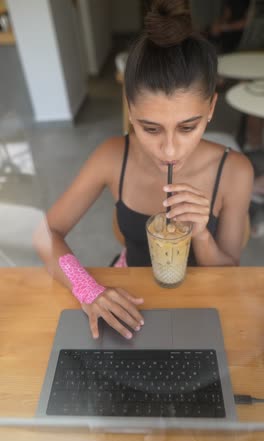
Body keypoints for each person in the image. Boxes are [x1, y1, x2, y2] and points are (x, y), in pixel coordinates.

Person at [34, 0, 253, 340]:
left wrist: (202, 234)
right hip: (129, 303)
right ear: (131, 112)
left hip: (202, 307)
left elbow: (231, 272)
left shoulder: (235, 172)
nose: (168, 150)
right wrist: (87, 289)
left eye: (187, 127)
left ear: (211, 108)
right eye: (150, 129)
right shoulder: (113, 156)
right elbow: (44, 234)